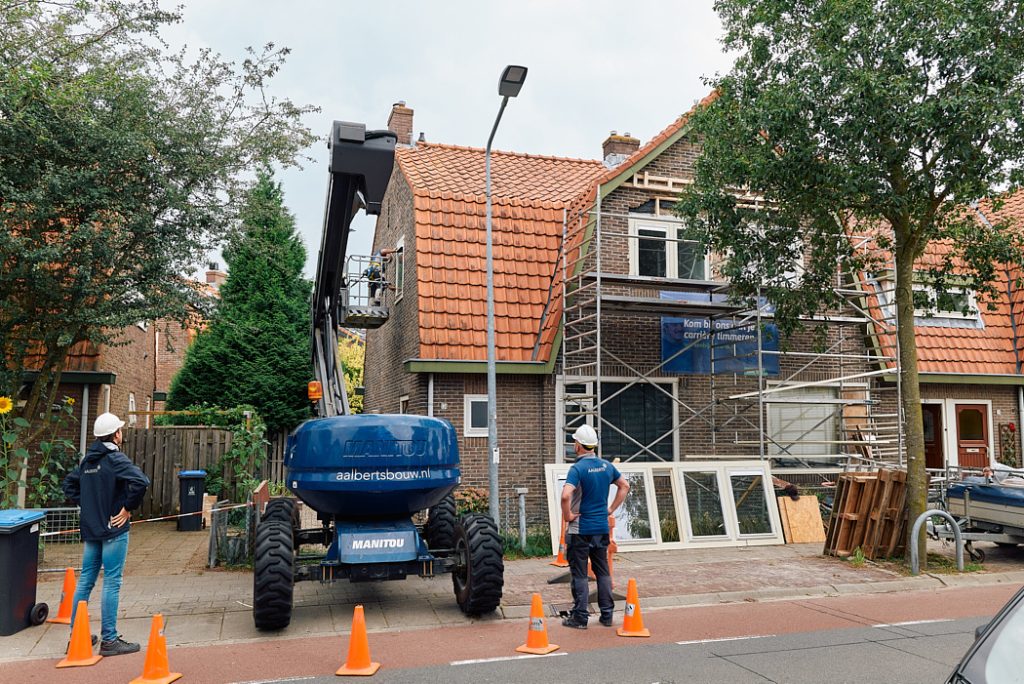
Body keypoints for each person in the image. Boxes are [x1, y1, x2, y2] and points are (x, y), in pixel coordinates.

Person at [62, 412, 150, 656]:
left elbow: (69, 485)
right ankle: (109, 640)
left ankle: (76, 635)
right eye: (120, 430)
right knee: (112, 582)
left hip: (91, 531)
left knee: (85, 581)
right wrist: (127, 509)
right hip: (113, 529)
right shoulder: (115, 459)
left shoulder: (87, 461)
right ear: (116, 435)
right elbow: (141, 482)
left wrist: (89, 506)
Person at [560, 424, 629, 629]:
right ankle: (607, 615)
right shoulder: (607, 466)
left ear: (579, 446)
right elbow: (624, 486)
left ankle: (580, 617)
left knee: (580, 574)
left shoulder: (577, 469)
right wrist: (610, 509)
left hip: (580, 529)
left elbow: (565, 495)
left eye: (575, 442)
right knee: (603, 572)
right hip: (600, 527)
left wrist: (568, 515)